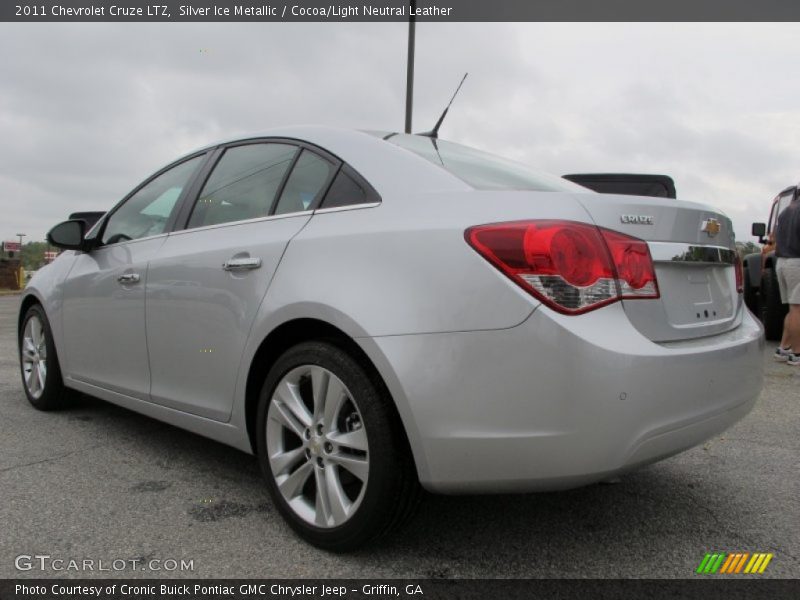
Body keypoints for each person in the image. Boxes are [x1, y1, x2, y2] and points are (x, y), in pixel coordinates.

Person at [773, 191, 800, 366]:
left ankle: (783, 348)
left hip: (782, 262)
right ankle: (797, 353)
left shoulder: (785, 211)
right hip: (797, 262)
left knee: (793, 308)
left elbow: (774, 237)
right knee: (798, 309)